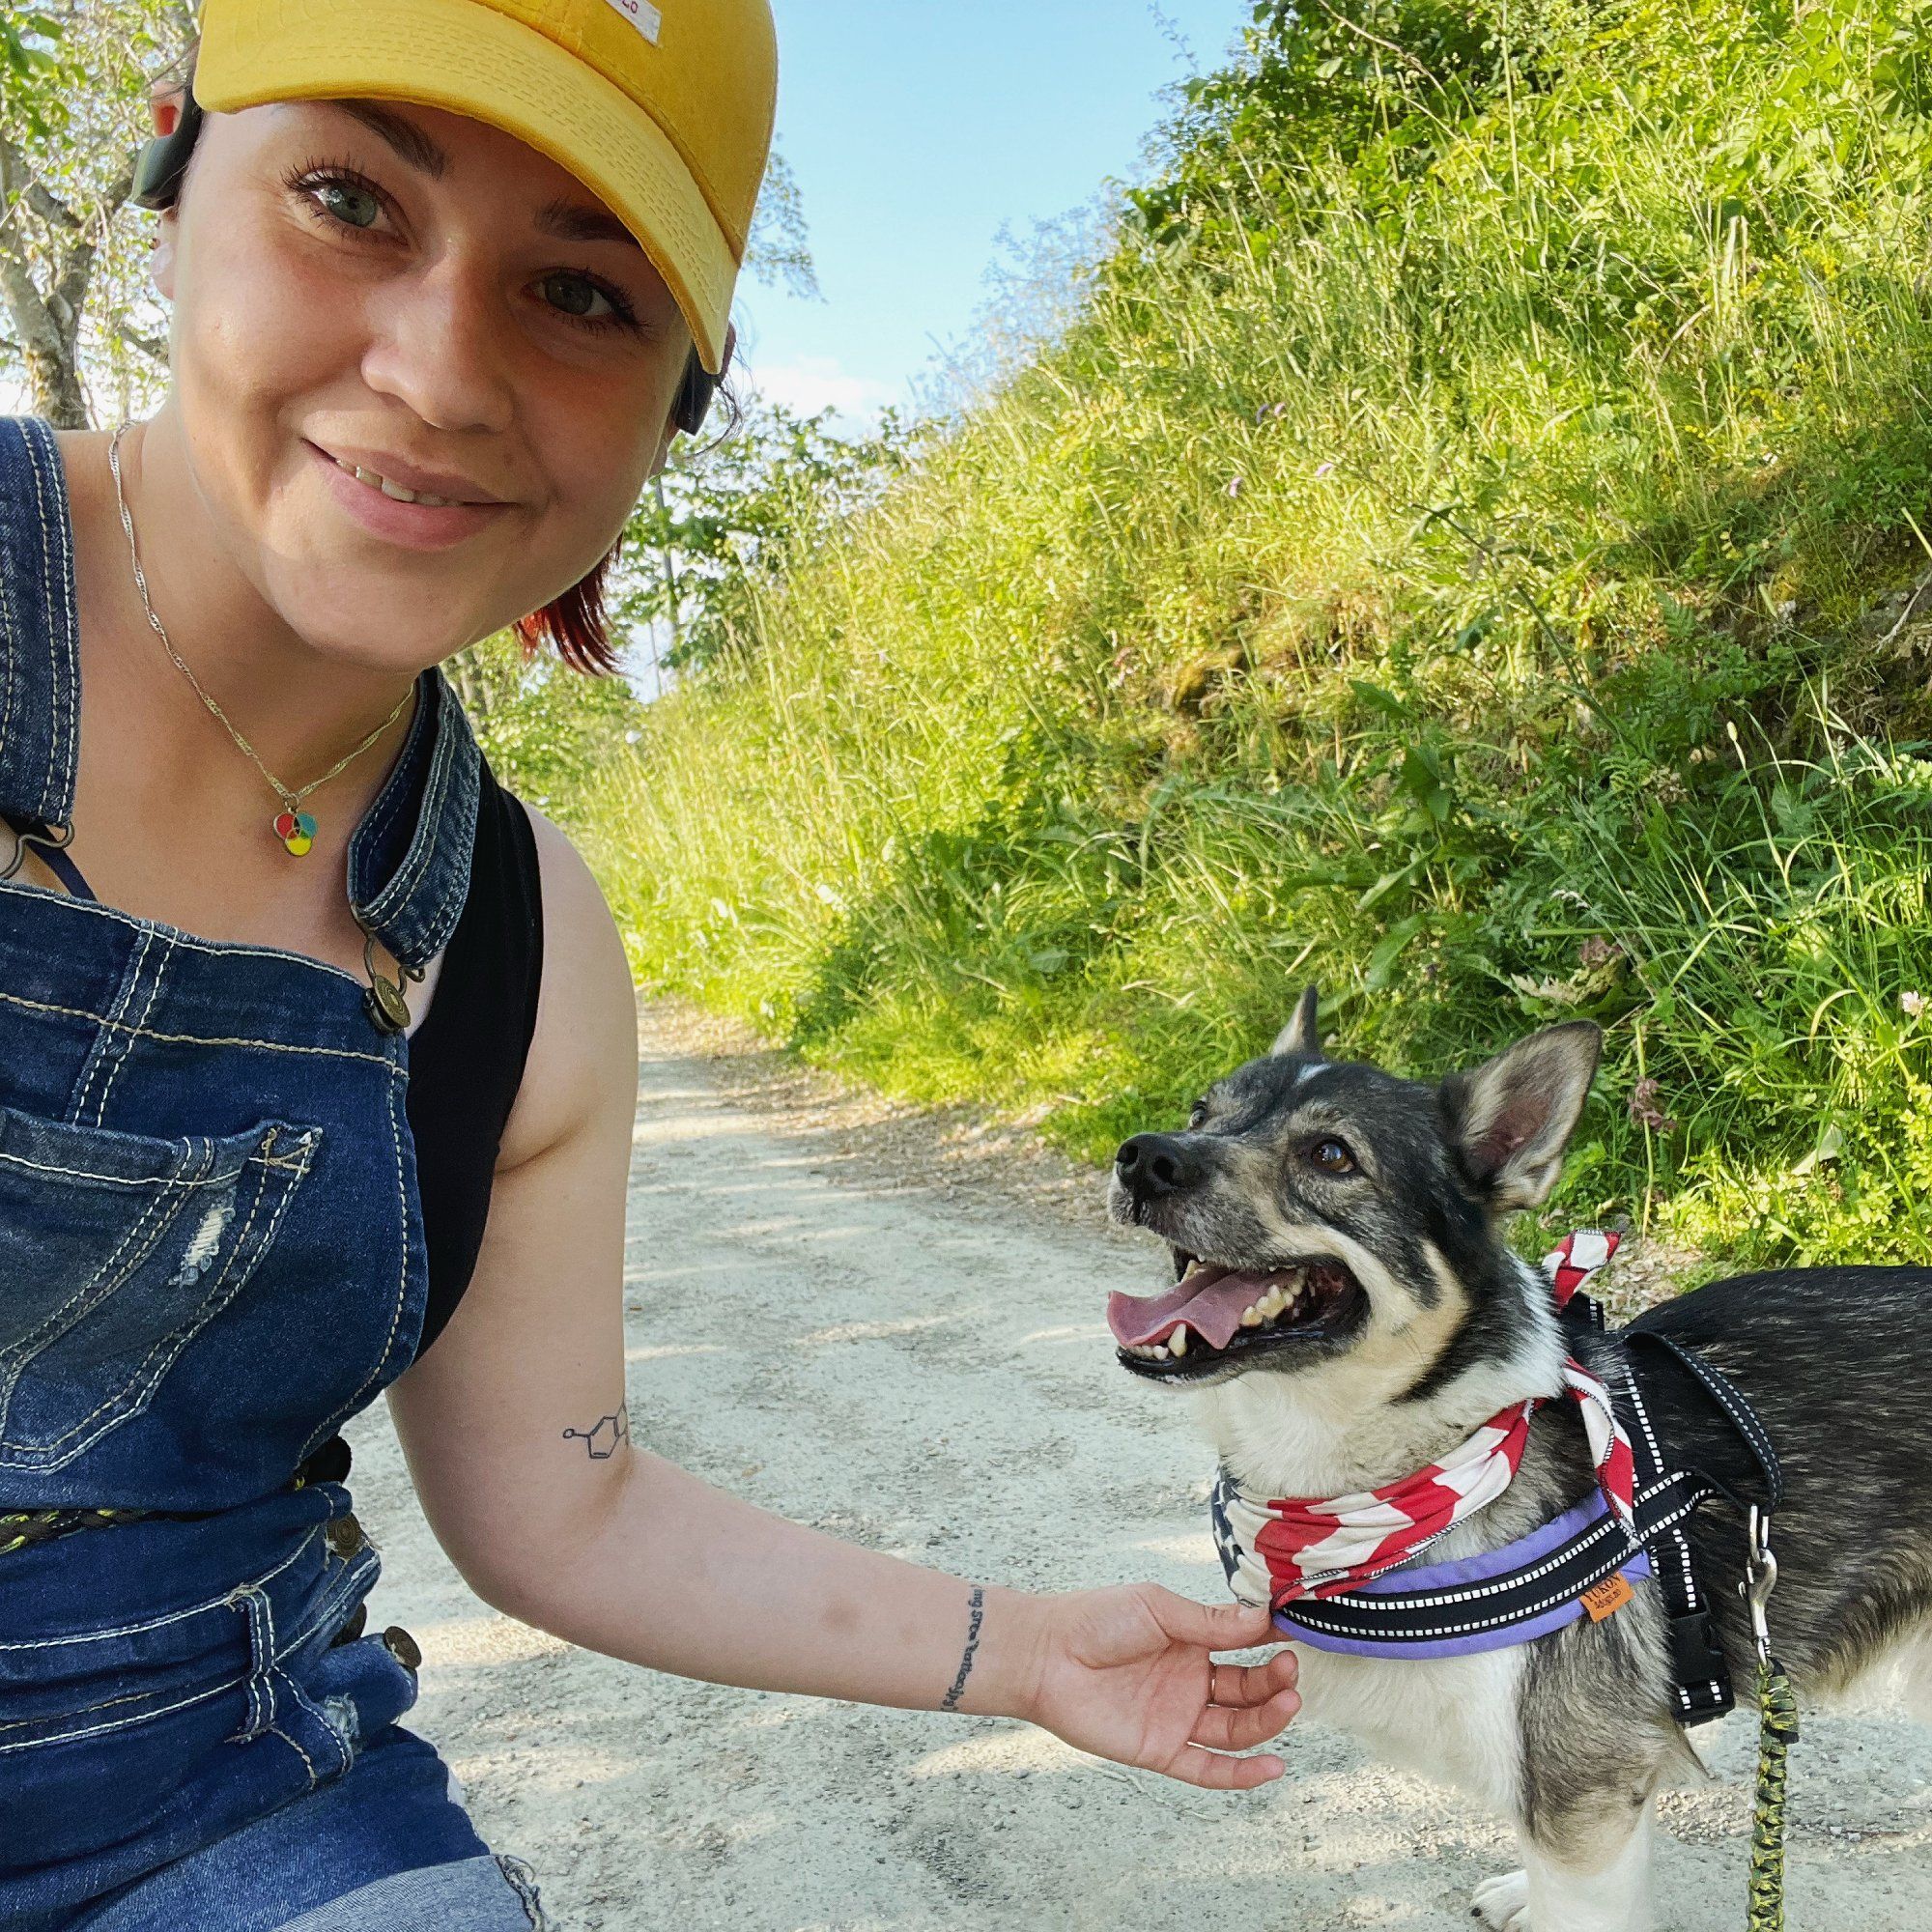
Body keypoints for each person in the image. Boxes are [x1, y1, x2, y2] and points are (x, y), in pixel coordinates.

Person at [0, 4, 1300, 1926]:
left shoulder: (517, 943)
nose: (440, 370)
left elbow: (569, 1505)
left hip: (233, 1799)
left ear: (682, 394)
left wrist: (1021, 1647)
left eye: (580, 294)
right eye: (351, 198)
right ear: (180, 160)